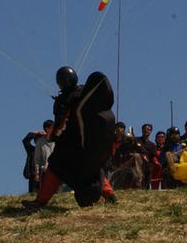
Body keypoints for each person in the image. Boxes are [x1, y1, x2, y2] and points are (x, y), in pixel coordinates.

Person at [22, 67, 117, 211]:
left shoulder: (63, 100)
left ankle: (40, 201)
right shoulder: (83, 91)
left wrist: (54, 135)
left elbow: (62, 124)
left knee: (55, 166)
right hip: (86, 143)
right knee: (91, 168)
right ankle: (110, 195)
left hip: (68, 145)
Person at [22, 122, 53, 193]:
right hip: (33, 175)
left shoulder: (48, 148)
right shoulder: (31, 150)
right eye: (36, 139)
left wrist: (46, 134)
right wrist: (34, 133)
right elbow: (25, 141)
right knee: (33, 194)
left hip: (45, 173)